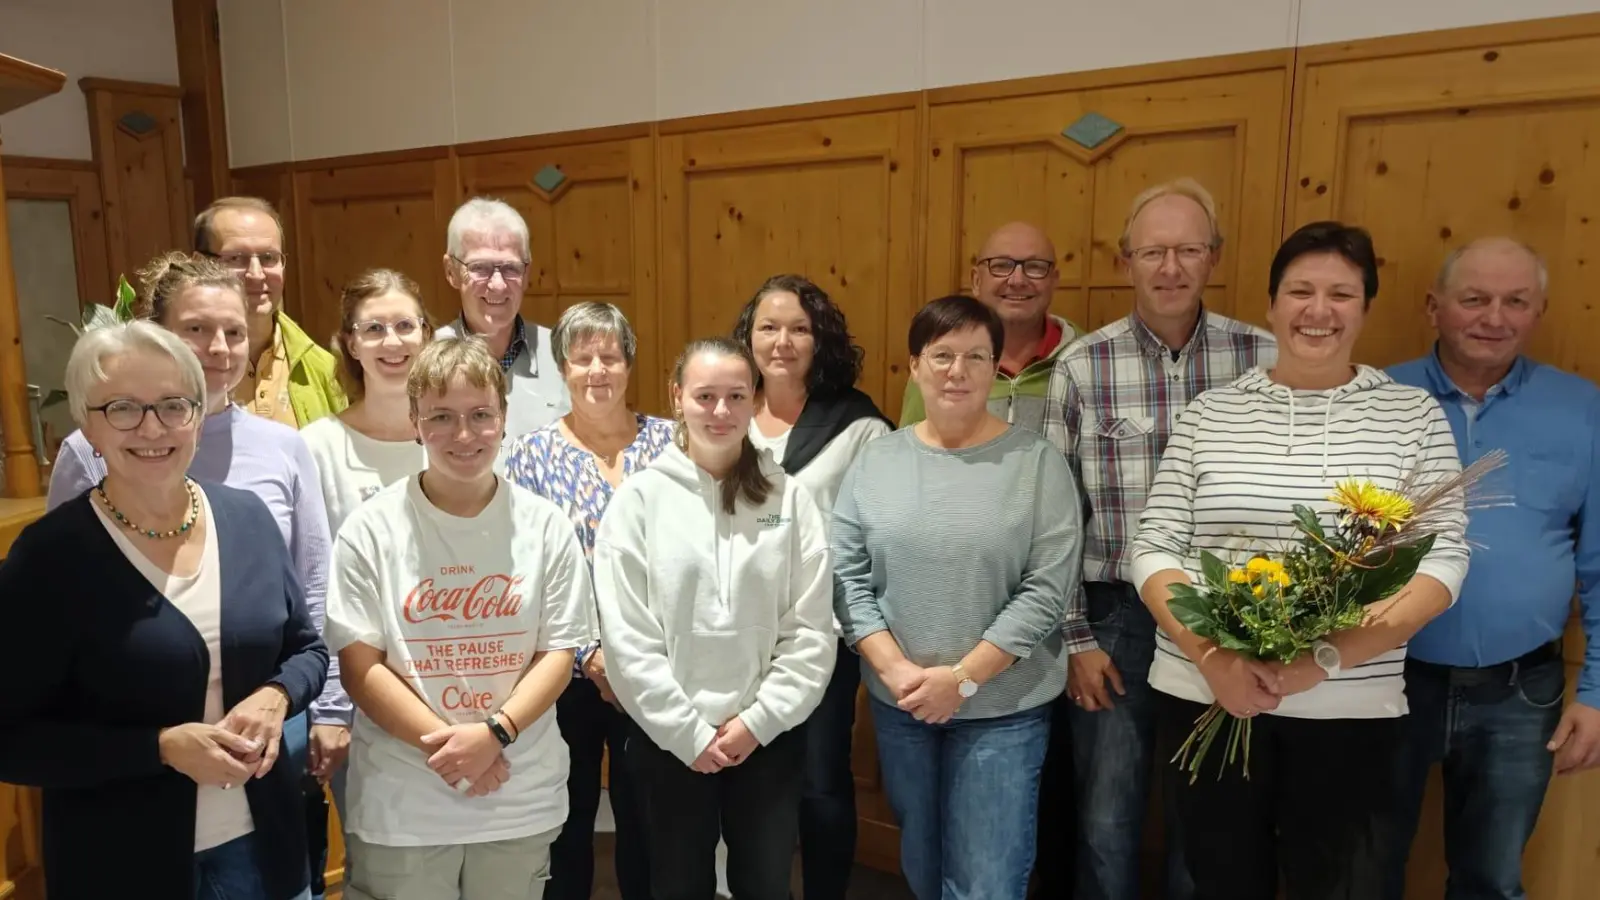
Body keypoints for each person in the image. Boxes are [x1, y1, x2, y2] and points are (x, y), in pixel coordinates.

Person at [1132, 221, 1470, 900]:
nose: (1319, 310)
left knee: (1343, 884)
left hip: (1351, 709)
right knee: (1222, 880)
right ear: (1271, 304)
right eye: (1300, 291)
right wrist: (1215, 659)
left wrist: (1323, 660)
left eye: (1341, 294)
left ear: (1365, 308)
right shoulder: (1210, 413)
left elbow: (1442, 562)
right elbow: (1155, 546)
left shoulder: (1411, 416)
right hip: (1208, 698)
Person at [0, 321, 328, 899]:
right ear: (87, 425)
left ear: (198, 417)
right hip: (122, 866)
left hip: (266, 855)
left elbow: (307, 650)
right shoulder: (49, 558)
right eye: (123, 408)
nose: (152, 428)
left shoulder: (248, 519)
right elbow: (12, 741)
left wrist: (277, 695)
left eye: (174, 405)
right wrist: (159, 748)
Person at [1041, 178, 1275, 900]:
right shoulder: (1083, 365)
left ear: (1215, 257)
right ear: (1126, 261)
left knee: (1204, 815)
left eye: (1188, 250)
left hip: (1228, 618)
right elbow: (1054, 516)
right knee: (1106, 816)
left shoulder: (1263, 357)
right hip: (1115, 621)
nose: (1170, 268)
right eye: (1152, 252)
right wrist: (1075, 639)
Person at [833, 295, 1082, 900]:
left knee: (987, 880)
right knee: (922, 861)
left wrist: (963, 680)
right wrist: (897, 671)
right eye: (942, 355)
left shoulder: (1037, 462)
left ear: (995, 368)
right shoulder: (876, 460)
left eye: (975, 356)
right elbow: (846, 574)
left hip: (1004, 711)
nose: (957, 371)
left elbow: (1047, 589)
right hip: (903, 705)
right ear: (915, 366)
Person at [325, 336, 591, 900]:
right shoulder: (369, 530)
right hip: (405, 803)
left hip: (517, 793)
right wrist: (455, 751)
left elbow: (559, 652)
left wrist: (495, 734)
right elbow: (360, 667)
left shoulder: (546, 526)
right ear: (415, 422)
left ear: (503, 418)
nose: (464, 435)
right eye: (441, 416)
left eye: (480, 415)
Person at [1383, 237, 1600, 900]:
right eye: (1474, 299)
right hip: (1382, 679)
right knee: (1359, 871)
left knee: (1491, 881)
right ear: (1434, 307)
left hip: (1519, 690)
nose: (1494, 318)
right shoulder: (1377, 397)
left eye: (1516, 302)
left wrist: (1596, 693)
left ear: (1539, 312)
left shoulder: (1583, 409)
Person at [593, 337, 836, 900]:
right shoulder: (639, 502)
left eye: (736, 396)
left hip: (767, 736)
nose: (721, 411)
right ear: (676, 398)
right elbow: (627, 639)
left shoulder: (789, 499)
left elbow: (810, 629)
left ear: (754, 400)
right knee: (676, 886)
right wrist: (688, 732)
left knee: (765, 886)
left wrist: (759, 721)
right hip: (669, 738)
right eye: (705, 396)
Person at [731, 274, 893, 900]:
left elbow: (878, 534)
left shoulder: (858, 426)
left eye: (799, 328)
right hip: (733, 631)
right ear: (748, 337)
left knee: (821, 779)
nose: (783, 341)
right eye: (768, 327)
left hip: (819, 630)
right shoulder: (726, 410)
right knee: (748, 772)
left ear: (820, 339)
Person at [504, 302, 673, 900]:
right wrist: (588, 656)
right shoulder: (529, 456)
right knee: (566, 824)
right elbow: (525, 570)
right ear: (563, 368)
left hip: (656, 668)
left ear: (629, 363)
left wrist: (632, 660)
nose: (597, 370)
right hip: (562, 672)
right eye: (582, 358)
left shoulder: (672, 444)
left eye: (610, 356)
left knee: (649, 823)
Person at [299, 269, 434, 813]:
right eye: (373, 328)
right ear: (350, 343)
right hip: (359, 691)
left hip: (453, 676)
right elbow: (314, 582)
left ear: (426, 334)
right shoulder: (317, 447)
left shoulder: (461, 438)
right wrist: (331, 705)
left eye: (404, 326)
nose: (391, 342)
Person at [899, 222, 1081, 432]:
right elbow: (911, 445)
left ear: (1054, 281)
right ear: (976, 281)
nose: (1017, 280)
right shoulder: (936, 361)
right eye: (1001, 266)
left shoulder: (1086, 359)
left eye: (1035, 267)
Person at [435, 196, 571, 463]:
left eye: (511, 268)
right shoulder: (424, 357)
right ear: (451, 271)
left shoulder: (564, 355)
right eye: (480, 268)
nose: (497, 285)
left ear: (527, 273)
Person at [194, 196, 345, 427]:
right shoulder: (173, 365)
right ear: (199, 264)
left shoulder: (324, 370)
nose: (256, 274)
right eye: (236, 258)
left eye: (268, 258)